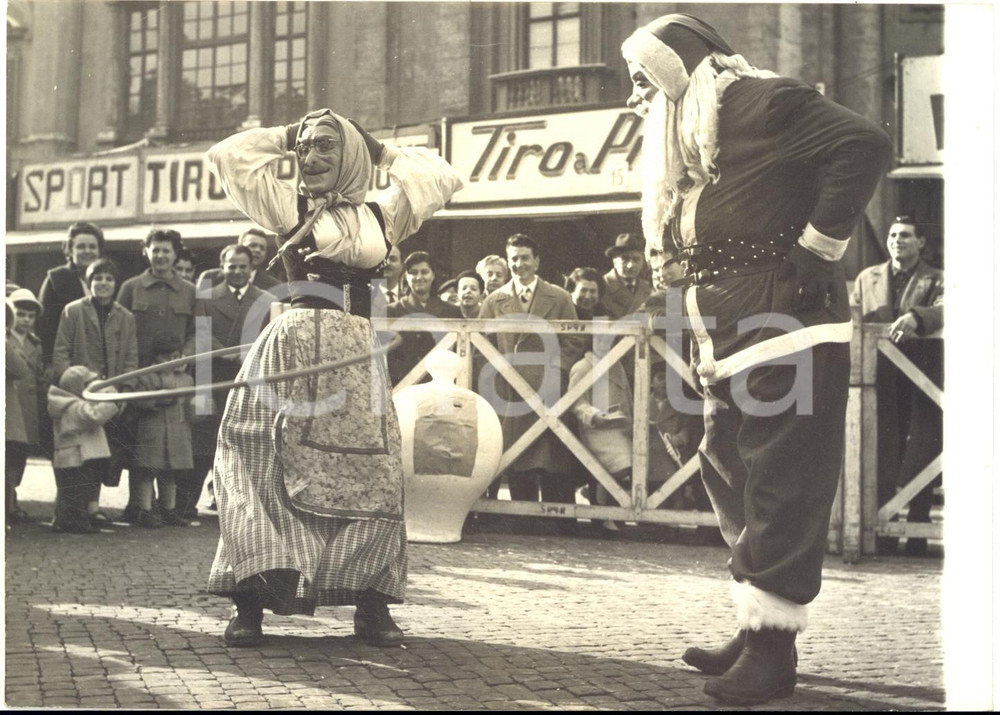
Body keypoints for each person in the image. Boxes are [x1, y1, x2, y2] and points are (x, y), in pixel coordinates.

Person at [622, 13, 892, 704]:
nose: (636, 92)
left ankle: (773, 653)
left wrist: (818, 246)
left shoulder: (761, 100)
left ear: (681, 63)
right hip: (729, 332)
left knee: (780, 479)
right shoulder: (694, 131)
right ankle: (757, 622)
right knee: (729, 466)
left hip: (788, 326)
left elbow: (864, 144)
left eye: (643, 75)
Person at [205, 107, 462, 647]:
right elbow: (227, 155)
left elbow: (441, 176)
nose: (311, 157)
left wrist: (380, 150)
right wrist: (283, 134)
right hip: (295, 347)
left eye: (326, 146)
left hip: (358, 353)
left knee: (373, 476)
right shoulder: (285, 202)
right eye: (305, 147)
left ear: (350, 154)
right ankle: (249, 604)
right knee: (263, 465)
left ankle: (372, 607)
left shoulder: (383, 213)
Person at [478, 234, 583, 534]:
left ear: (537, 261)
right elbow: (480, 344)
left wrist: (557, 370)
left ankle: (554, 522)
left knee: (550, 455)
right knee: (518, 455)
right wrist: (493, 377)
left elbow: (574, 339)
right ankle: (521, 519)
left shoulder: (559, 297)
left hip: (548, 386)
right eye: (513, 259)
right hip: (509, 390)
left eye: (525, 257)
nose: (519, 264)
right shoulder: (494, 300)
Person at [852, 216, 943, 556]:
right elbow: (855, 318)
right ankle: (883, 531)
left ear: (921, 242)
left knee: (924, 449)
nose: (896, 240)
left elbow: (949, 306)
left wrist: (918, 316)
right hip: (880, 380)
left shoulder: (937, 279)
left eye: (905, 235)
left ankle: (918, 529)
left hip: (923, 379)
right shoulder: (867, 278)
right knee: (881, 450)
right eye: (892, 235)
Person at [181, 244, 269, 520]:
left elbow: (269, 336)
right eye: (232, 266)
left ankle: (241, 510)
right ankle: (185, 506)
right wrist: (232, 354)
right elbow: (202, 334)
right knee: (204, 443)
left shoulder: (265, 299)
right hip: (213, 375)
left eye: (243, 266)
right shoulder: (207, 298)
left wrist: (250, 354)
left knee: (245, 446)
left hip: (249, 381)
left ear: (252, 268)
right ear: (222, 267)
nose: (238, 271)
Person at [116, 228, 196, 522]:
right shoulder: (131, 287)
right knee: (139, 446)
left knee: (169, 448)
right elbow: (119, 329)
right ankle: (137, 506)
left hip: (173, 381)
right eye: (156, 249)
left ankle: (166, 508)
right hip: (139, 379)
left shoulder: (189, 290)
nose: (161, 255)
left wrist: (183, 358)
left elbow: (196, 332)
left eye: (167, 250)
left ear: (176, 254)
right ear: (145, 252)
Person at [52, 258, 139, 525]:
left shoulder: (126, 317)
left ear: (115, 284)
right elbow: (61, 352)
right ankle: (71, 509)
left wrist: (124, 390)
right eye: (97, 278)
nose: (103, 283)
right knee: (78, 454)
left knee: (103, 454)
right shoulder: (73, 311)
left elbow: (131, 358)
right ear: (89, 283)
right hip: (80, 396)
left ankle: (93, 506)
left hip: (110, 397)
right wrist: (74, 386)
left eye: (108, 279)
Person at [47, 365, 121, 533]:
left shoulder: (69, 404)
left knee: (72, 492)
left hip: (76, 455)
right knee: (77, 492)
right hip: (76, 456)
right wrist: (109, 401)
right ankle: (77, 523)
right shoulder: (71, 406)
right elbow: (93, 416)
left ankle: (64, 520)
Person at [132, 333, 194, 528]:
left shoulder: (185, 378)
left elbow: (189, 402)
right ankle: (146, 510)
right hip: (153, 431)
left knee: (170, 473)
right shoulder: (146, 375)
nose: (170, 361)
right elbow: (139, 400)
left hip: (176, 431)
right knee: (148, 473)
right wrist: (159, 396)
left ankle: (169, 509)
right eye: (166, 357)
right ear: (156, 357)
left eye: (174, 356)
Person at [386, 251, 462, 386]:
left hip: (441, 385)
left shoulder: (452, 311)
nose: (419, 277)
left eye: (424, 272)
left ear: (433, 275)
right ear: (406, 276)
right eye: (413, 272)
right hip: (403, 385)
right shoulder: (392, 311)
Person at [37, 222, 105, 367]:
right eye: (81, 247)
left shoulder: (107, 280)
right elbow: (44, 326)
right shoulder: (56, 278)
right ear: (70, 250)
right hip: (67, 362)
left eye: (92, 246)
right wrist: (49, 362)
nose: (87, 251)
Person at [5, 290, 46, 524]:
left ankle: (13, 497)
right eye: (20, 314)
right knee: (9, 455)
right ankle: (9, 501)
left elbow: (38, 375)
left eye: (30, 316)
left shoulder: (35, 344)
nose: (25, 320)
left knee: (20, 455)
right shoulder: (6, 339)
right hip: (11, 402)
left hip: (27, 406)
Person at [198, 228, 282, 294]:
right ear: (239, 247)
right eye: (252, 245)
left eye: (262, 248)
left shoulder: (275, 285)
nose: (257, 250)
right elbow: (200, 311)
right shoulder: (208, 278)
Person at [601, 233, 653, 319]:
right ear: (614, 261)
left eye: (636, 259)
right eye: (625, 259)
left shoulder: (647, 289)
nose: (631, 265)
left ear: (643, 262)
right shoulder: (602, 286)